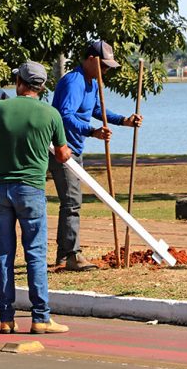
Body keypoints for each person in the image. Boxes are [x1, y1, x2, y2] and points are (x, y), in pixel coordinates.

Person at [0, 61, 72, 334]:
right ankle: (40, 317)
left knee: (3, 254)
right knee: (35, 253)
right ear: (41, 87)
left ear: (19, 82)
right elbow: (62, 154)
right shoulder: (51, 114)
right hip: (31, 189)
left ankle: (6, 318)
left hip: (0, 189)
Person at [49, 40, 142, 270]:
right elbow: (65, 115)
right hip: (62, 149)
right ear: (91, 59)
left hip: (75, 149)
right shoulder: (74, 82)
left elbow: (97, 110)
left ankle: (64, 256)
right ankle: (72, 255)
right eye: (104, 65)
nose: (107, 70)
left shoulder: (91, 82)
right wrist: (92, 131)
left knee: (70, 202)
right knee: (72, 202)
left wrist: (124, 121)